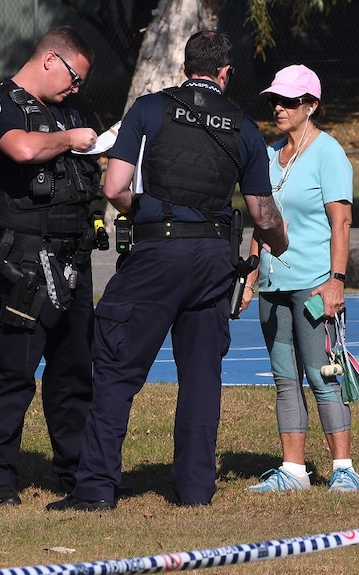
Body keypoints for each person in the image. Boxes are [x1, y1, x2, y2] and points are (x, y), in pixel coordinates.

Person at [46, 30, 289, 511]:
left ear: (185, 67)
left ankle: (95, 489)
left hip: (157, 255)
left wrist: (149, 209)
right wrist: (278, 242)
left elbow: (115, 188)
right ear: (225, 73)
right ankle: (196, 490)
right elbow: (263, 214)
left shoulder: (151, 108)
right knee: (201, 377)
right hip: (215, 261)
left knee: (116, 370)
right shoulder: (243, 127)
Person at [0, 26, 105, 506]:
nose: (76, 89)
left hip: (74, 254)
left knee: (74, 370)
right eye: (73, 77)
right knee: (16, 368)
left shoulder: (65, 111)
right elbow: (22, 149)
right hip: (27, 257)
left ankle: (76, 473)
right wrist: (71, 138)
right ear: (50, 59)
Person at [240, 64, 359, 493]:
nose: (279, 107)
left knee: (322, 374)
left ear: (312, 106)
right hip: (273, 285)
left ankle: (343, 468)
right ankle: (292, 471)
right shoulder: (269, 155)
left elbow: (341, 221)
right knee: (284, 378)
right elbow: (262, 221)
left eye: (290, 101)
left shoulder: (329, 152)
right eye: (275, 99)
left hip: (314, 284)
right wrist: (250, 279)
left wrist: (336, 281)